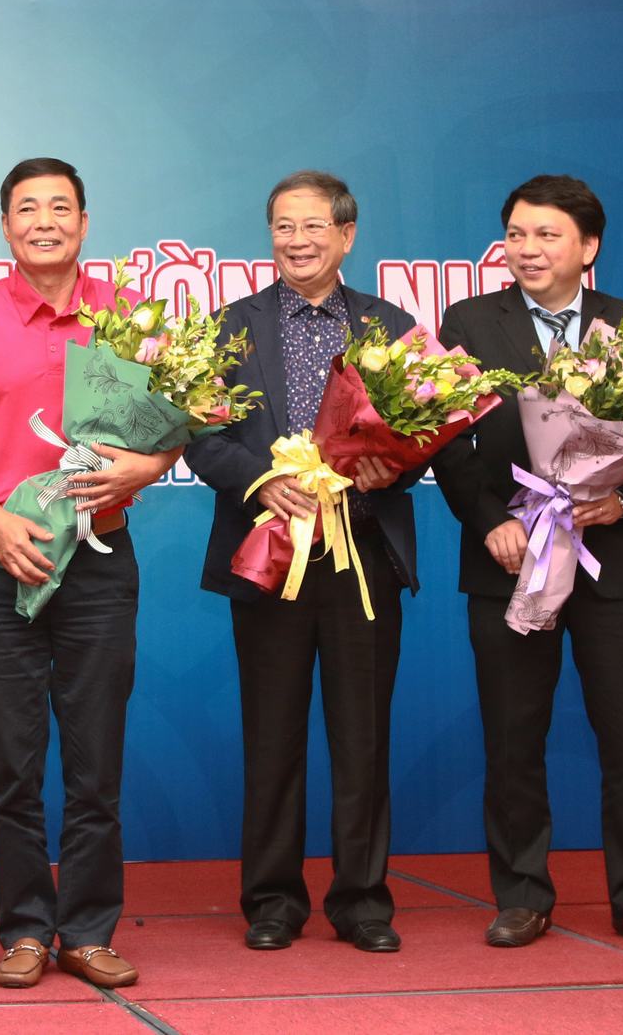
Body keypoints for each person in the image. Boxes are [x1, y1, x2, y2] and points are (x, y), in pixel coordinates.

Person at [0, 157, 181, 991]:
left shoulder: (128, 313)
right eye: (27, 208)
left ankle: (89, 930)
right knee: (12, 760)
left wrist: (146, 468)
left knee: (96, 759)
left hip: (99, 560)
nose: (44, 221)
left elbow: (176, 425)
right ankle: (27, 929)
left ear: (84, 221)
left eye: (60, 207)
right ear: (5, 226)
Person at [433, 175, 623, 951]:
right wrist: (489, 521)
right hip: (510, 558)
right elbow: (446, 436)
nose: (528, 248)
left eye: (547, 234)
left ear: (588, 246)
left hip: (612, 558)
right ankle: (522, 895)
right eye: (516, 234)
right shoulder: (470, 321)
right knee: (514, 735)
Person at [184, 171, 418, 954]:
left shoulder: (389, 325)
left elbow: (424, 430)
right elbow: (199, 436)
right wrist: (261, 479)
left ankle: (363, 900)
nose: (297, 240)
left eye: (314, 225)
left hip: (362, 554)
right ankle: (273, 899)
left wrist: (393, 467)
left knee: (363, 736)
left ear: (347, 235)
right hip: (268, 553)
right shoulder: (230, 327)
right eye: (284, 225)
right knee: (272, 735)